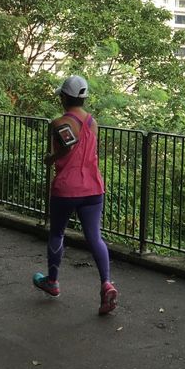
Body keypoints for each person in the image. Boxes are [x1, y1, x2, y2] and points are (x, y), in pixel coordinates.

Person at [33, 75, 119, 315]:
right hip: (93, 187)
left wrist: (49, 158)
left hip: (67, 188)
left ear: (64, 97)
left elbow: (65, 148)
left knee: (57, 233)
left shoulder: (58, 122)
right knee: (95, 238)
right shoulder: (93, 122)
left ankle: (52, 281)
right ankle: (106, 283)